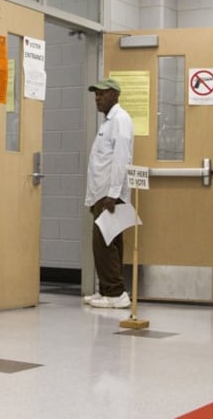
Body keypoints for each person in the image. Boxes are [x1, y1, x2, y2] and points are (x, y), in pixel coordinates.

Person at [83, 78, 134, 309]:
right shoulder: (108, 122)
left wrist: (113, 194)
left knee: (104, 244)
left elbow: (122, 158)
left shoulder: (120, 120)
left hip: (110, 194)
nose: (97, 98)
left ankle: (115, 293)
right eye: (95, 94)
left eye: (102, 94)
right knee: (108, 243)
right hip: (102, 193)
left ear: (115, 94)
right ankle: (108, 290)